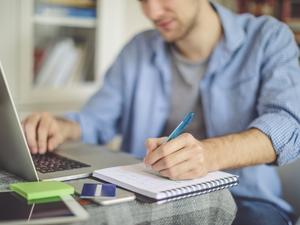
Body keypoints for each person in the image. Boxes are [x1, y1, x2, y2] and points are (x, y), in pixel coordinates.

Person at [22, 0, 300, 224]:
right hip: (149, 199)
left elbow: (288, 126)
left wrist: (208, 155)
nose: (152, 11)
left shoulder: (268, 37)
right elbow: (95, 119)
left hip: (247, 201)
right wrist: (59, 127)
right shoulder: (137, 49)